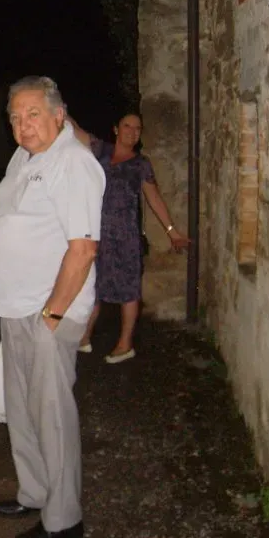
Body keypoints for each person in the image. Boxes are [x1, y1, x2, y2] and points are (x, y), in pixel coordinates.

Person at [0, 76, 105, 538]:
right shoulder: (26, 156)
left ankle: (64, 517)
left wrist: (52, 316)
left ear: (59, 114)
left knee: (51, 416)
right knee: (23, 411)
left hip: (47, 310)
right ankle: (34, 493)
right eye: (15, 117)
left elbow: (83, 249)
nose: (22, 125)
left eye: (33, 114)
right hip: (15, 308)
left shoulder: (73, 162)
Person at [70, 112, 189, 363]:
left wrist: (172, 232)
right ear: (116, 129)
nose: (132, 132)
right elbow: (75, 130)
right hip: (96, 233)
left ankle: (125, 344)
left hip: (125, 237)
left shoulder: (140, 164)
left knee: (129, 290)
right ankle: (84, 337)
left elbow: (154, 198)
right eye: (127, 126)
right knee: (92, 286)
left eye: (137, 128)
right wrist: (55, 106)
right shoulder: (100, 151)